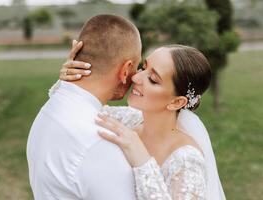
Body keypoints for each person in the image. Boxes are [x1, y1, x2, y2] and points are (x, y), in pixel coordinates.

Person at [57, 41, 226, 199]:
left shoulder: (186, 161)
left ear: (176, 102)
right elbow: (77, 112)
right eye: (143, 67)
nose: (136, 78)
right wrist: (70, 82)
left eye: (153, 79)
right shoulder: (128, 119)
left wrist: (143, 161)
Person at [27, 15, 142, 200]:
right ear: (126, 70)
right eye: (137, 67)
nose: (137, 77)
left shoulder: (52, 106)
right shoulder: (99, 141)